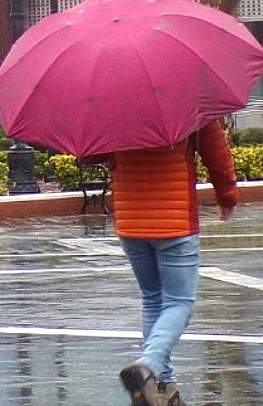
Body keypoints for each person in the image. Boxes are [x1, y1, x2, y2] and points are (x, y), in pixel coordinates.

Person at [107, 118, 239, 406]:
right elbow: (216, 149)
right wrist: (227, 195)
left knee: (153, 299)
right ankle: (148, 365)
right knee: (179, 302)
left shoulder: (110, 100)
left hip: (130, 218)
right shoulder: (189, 96)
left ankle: (164, 389)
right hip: (174, 219)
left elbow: (92, 153)